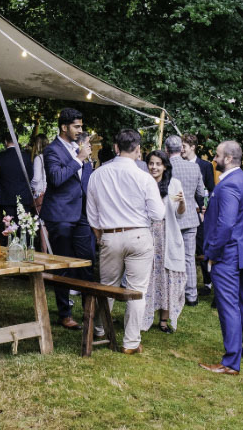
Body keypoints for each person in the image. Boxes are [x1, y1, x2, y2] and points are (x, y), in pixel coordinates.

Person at [86, 129, 165, 354]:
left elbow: (91, 213)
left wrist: (101, 236)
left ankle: (100, 328)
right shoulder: (144, 178)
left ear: (116, 148)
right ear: (138, 150)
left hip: (110, 235)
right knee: (137, 290)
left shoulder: (98, 174)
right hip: (139, 234)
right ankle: (130, 342)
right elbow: (158, 214)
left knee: (107, 287)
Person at [200, 140, 243, 375]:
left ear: (227, 159)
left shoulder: (228, 186)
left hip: (227, 255)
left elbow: (226, 224)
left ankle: (230, 363)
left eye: (216, 156)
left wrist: (213, 253)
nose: (213, 160)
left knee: (229, 307)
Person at [40, 108, 94, 330]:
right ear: (64, 127)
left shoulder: (80, 149)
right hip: (61, 216)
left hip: (82, 214)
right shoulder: (51, 150)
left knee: (87, 261)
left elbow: (86, 178)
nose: (81, 130)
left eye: (81, 126)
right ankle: (65, 313)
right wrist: (79, 159)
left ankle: (89, 312)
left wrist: (85, 159)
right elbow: (56, 179)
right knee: (62, 265)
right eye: (77, 126)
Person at [143, 150, 187, 334]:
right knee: (148, 276)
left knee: (167, 278)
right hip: (148, 234)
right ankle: (144, 317)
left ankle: (163, 320)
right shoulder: (144, 181)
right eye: (151, 163)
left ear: (165, 166)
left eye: (158, 164)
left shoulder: (174, 183)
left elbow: (180, 213)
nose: (154, 167)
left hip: (168, 236)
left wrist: (183, 201)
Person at [164, 134, 205, 306]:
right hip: (189, 218)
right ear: (180, 148)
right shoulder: (194, 167)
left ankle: (171, 293)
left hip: (170, 218)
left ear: (166, 150)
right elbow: (201, 193)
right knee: (189, 257)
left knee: (168, 256)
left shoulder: (164, 167)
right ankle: (192, 295)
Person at [182, 133, 216, 296]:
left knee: (202, 247)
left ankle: (207, 282)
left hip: (200, 213)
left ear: (192, 147)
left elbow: (210, 188)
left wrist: (205, 208)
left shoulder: (205, 166)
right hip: (182, 212)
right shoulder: (178, 165)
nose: (181, 149)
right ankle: (185, 283)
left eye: (184, 146)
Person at [0, 133, 34, 228]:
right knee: (23, 228)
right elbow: (31, 176)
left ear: (5, 142)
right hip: (23, 196)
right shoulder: (26, 157)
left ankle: (9, 243)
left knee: (8, 228)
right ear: (17, 140)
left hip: (5, 196)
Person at [29, 134, 49, 211]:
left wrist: (31, 187)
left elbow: (36, 178)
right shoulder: (51, 156)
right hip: (49, 192)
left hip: (40, 192)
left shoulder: (39, 158)